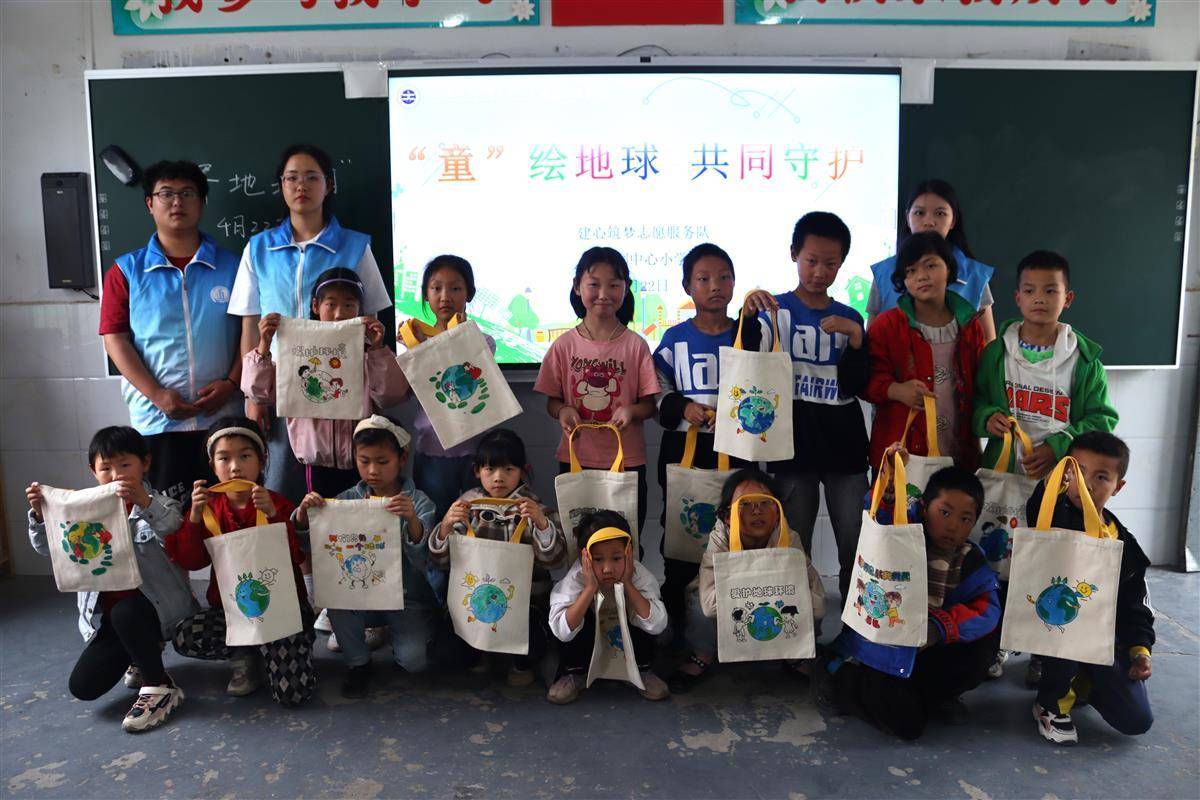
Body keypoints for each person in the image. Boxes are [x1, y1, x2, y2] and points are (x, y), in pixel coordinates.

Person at [228, 143, 391, 500]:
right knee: (283, 493)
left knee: (347, 495)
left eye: (312, 177)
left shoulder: (355, 245)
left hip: (343, 394)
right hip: (278, 390)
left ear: (328, 185)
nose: (301, 185)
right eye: (292, 178)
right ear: (281, 185)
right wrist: (252, 397)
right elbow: (249, 326)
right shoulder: (258, 248)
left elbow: (370, 322)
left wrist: (372, 394)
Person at [25, 426, 197, 732]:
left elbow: (175, 529)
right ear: (93, 472)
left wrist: (145, 502)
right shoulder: (82, 510)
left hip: (156, 610)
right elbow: (48, 549)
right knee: (83, 686)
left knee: (126, 611)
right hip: (112, 620)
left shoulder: (159, 502)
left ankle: (160, 686)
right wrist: (41, 515)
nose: (116, 474)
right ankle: (140, 654)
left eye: (125, 464)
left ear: (145, 463)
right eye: (106, 468)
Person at [814, 465, 1001, 741]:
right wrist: (889, 491)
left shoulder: (970, 558)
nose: (952, 526)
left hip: (927, 646)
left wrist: (939, 628)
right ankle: (837, 678)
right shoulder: (901, 533)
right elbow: (881, 515)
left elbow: (986, 610)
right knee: (907, 726)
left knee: (986, 642)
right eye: (944, 512)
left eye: (965, 519)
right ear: (924, 508)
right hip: (884, 648)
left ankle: (932, 697)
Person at [742, 212, 870, 608]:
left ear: (842, 264)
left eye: (831, 263)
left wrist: (856, 338)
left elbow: (857, 385)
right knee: (792, 541)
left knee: (855, 542)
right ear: (794, 254)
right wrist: (747, 314)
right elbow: (747, 363)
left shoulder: (850, 318)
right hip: (790, 445)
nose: (819, 272)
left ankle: (855, 625)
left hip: (845, 446)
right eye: (811, 260)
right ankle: (799, 624)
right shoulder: (772, 310)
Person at [98, 160, 241, 505]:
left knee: (230, 521)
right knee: (166, 522)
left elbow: (249, 335)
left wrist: (231, 384)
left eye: (188, 193)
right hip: (156, 422)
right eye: (166, 194)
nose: (177, 202)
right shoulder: (126, 271)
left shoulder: (235, 266)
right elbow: (114, 340)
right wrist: (157, 395)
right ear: (150, 203)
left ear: (202, 202)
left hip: (223, 420)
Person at [166, 417, 316, 707]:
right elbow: (191, 561)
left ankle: (279, 647)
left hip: (282, 610)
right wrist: (194, 519)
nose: (235, 467)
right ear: (213, 465)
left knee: (293, 694)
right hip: (232, 611)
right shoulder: (207, 508)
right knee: (185, 636)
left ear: (262, 459)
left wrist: (273, 516)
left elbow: (296, 556)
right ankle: (244, 654)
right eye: (224, 458)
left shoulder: (276, 503)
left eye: (245, 456)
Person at [653, 243, 758, 640]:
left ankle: (736, 618)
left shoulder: (748, 335)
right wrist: (683, 407)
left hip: (738, 449)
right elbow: (656, 390)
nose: (715, 286)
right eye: (703, 278)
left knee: (737, 528)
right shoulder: (674, 338)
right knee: (682, 532)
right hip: (686, 448)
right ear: (687, 287)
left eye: (724, 277)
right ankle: (679, 623)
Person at [293, 415, 438, 699]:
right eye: (364, 461)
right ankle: (358, 663)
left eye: (382, 462)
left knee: (414, 662)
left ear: (402, 458)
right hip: (358, 595)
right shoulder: (346, 500)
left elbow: (427, 558)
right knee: (337, 601)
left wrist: (412, 520)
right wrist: (303, 514)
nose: (373, 471)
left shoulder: (418, 502)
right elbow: (309, 544)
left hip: (407, 598)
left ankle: (402, 634)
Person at [1028, 432, 1154, 745]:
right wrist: (1049, 484)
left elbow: (1135, 605)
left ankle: (1083, 679)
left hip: (1102, 640)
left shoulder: (1123, 543)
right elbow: (1038, 509)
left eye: (1101, 477)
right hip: (1055, 627)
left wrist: (1140, 649)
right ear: (1065, 474)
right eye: (1078, 472)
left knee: (1136, 719)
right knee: (1071, 626)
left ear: (1117, 487)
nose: (1086, 484)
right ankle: (1051, 702)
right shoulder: (1055, 516)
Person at [534, 247, 659, 539]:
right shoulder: (564, 345)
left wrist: (631, 411)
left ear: (626, 288)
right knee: (578, 542)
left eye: (613, 285)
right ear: (577, 287)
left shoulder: (636, 345)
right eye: (594, 284)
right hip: (576, 458)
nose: (604, 294)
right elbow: (552, 402)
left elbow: (649, 405)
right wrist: (562, 410)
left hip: (626, 462)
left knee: (626, 541)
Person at [668, 468, 825, 694]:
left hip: (773, 608)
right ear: (726, 516)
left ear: (778, 512)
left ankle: (794, 653)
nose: (757, 511)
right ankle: (702, 654)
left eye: (765, 503)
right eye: (745, 504)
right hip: (735, 609)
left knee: (807, 602)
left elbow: (817, 605)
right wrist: (756, 591)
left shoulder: (788, 538)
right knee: (698, 606)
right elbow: (710, 607)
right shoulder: (720, 538)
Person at [429, 429, 566, 687]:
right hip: (475, 602)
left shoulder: (533, 509)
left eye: (509, 469)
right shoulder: (466, 507)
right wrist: (446, 525)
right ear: (477, 471)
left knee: (534, 640)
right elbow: (440, 562)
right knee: (445, 650)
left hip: (525, 603)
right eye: (490, 469)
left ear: (523, 471)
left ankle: (520, 662)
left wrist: (541, 523)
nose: (498, 477)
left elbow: (555, 560)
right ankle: (480, 651)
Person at [974, 250, 1118, 479]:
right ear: (1018, 298)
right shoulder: (995, 355)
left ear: (1067, 299)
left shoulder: (1085, 363)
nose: (1039, 298)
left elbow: (1101, 420)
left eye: (1050, 291)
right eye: (1029, 291)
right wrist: (987, 418)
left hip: (1059, 478)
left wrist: (1057, 448)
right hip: (1001, 475)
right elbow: (975, 401)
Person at [864, 232, 988, 472]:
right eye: (911, 271)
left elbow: (981, 384)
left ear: (949, 269)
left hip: (959, 456)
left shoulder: (970, 326)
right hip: (902, 457)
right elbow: (866, 378)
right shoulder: (887, 326)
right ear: (903, 280)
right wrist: (895, 389)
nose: (921, 276)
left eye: (931, 265)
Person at [396, 255, 497, 521]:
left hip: (476, 447)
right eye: (436, 288)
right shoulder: (414, 342)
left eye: (455, 288)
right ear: (425, 294)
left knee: (477, 521)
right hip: (433, 448)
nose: (445, 297)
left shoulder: (483, 341)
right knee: (435, 519)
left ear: (469, 293)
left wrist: (460, 337)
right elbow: (406, 390)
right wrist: (413, 349)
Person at [547, 511, 669, 705]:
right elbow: (562, 630)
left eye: (617, 558)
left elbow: (657, 624)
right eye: (598, 559)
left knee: (642, 609)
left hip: (625, 641)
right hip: (588, 644)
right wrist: (589, 589)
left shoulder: (638, 575)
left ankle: (641, 670)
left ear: (628, 553)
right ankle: (575, 673)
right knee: (575, 616)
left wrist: (628, 584)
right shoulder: (576, 578)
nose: (608, 568)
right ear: (584, 556)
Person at [866, 179, 996, 341]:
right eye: (919, 213)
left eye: (940, 214)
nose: (928, 222)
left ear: (953, 221)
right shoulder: (884, 273)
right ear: (907, 217)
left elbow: (988, 342)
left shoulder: (975, 275)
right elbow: (871, 341)